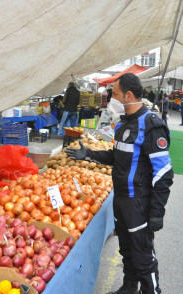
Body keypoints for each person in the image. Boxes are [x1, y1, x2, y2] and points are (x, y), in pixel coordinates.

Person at [66, 73, 173, 294]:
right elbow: (116, 158)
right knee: (126, 248)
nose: (110, 98)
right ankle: (129, 287)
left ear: (128, 95)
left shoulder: (151, 125)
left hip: (138, 203)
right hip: (120, 200)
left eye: (114, 94)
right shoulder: (123, 126)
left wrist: (157, 212)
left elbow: (164, 173)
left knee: (143, 254)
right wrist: (88, 154)